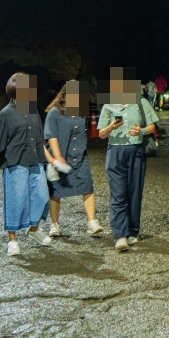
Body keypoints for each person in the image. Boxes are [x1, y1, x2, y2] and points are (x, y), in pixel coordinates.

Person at [0, 72, 52, 256]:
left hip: (35, 160)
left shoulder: (33, 110)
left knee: (42, 197)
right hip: (15, 163)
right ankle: (12, 240)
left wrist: (51, 161)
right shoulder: (5, 114)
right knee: (16, 200)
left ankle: (33, 229)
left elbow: (40, 139)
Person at [97, 67, 159, 252]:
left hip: (136, 151)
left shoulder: (141, 103)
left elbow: (152, 127)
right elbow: (101, 134)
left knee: (134, 192)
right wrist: (110, 128)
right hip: (115, 152)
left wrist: (140, 131)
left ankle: (133, 231)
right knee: (118, 194)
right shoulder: (108, 105)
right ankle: (120, 235)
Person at [44, 80, 103, 237]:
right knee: (56, 191)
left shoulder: (80, 111)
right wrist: (57, 156)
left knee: (87, 186)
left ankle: (92, 221)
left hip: (80, 157)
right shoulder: (54, 113)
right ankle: (54, 225)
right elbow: (51, 135)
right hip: (61, 158)